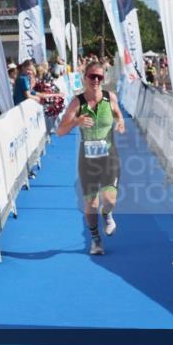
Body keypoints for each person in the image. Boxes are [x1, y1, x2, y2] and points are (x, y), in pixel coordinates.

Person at [56, 61, 126, 256]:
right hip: (87, 160)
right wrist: (76, 121)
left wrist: (120, 123)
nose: (96, 80)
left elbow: (118, 115)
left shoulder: (109, 97)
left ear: (103, 79)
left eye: (99, 77)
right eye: (92, 76)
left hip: (109, 156)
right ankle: (96, 240)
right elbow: (60, 131)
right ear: (85, 78)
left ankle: (108, 214)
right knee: (92, 203)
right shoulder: (77, 102)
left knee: (109, 200)